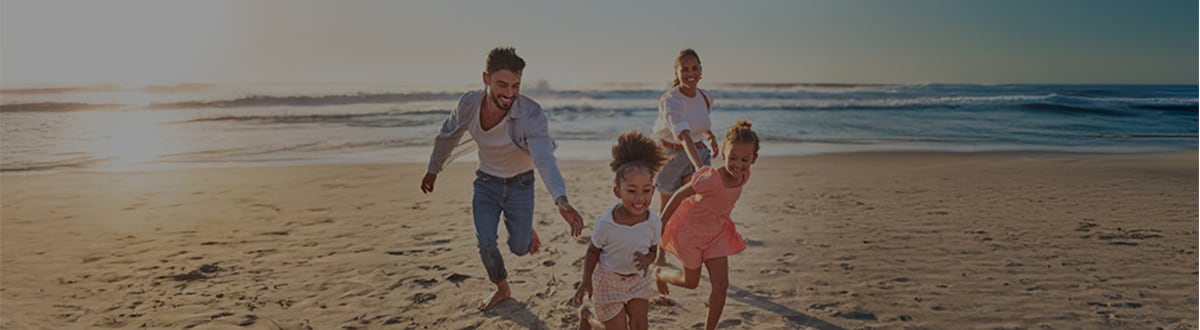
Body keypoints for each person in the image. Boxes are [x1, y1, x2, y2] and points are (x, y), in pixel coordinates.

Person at [420, 47, 584, 311]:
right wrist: (433, 169)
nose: (509, 93)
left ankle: (524, 230)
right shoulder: (469, 104)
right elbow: (447, 135)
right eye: (502, 84)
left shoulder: (531, 114)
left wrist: (561, 200)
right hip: (486, 183)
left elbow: (544, 158)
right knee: (485, 243)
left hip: (521, 185)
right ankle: (501, 287)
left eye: (515, 85)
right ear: (486, 79)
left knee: (520, 248)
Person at [655, 119, 760, 330]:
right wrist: (659, 226)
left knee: (721, 285)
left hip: (716, 235)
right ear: (723, 153)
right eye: (733, 157)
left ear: (753, 159)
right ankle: (659, 274)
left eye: (744, 159)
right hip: (690, 234)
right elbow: (678, 196)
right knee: (691, 282)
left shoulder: (744, 176)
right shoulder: (710, 179)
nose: (738, 164)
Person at [570, 130, 666, 330]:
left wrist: (648, 260)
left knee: (640, 326)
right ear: (617, 192)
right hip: (608, 281)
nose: (639, 197)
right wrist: (586, 281)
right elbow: (593, 252)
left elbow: (653, 250)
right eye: (631, 190)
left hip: (638, 280)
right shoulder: (606, 224)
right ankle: (588, 316)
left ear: (653, 190)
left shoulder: (654, 223)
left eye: (646, 190)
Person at [652, 48, 720, 265]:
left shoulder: (705, 97)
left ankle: (689, 252)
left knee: (694, 206)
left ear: (701, 70)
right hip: (671, 156)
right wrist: (701, 168)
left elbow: (699, 122)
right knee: (668, 208)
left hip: (698, 151)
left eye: (694, 68)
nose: (691, 73)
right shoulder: (671, 100)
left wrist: (710, 136)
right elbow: (683, 135)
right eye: (685, 69)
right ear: (676, 72)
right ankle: (660, 254)